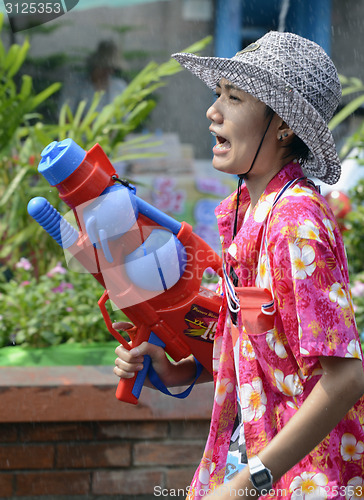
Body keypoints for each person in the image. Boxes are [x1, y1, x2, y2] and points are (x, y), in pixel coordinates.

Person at [114, 31, 364, 499]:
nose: (213, 111)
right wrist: (179, 371)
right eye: (218, 94)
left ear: (283, 125)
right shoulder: (246, 211)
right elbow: (261, 347)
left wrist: (250, 482)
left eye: (235, 97)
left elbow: (346, 378)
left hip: (305, 479)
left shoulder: (295, 222)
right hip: (249, 459)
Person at [59, 40, 128, 115]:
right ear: (95, 65)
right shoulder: (76, 83)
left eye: (112, 69)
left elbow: (126, 117)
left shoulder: (119, 86)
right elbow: (64, 115)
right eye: (105, 67)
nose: (108, 72)